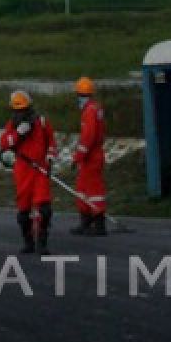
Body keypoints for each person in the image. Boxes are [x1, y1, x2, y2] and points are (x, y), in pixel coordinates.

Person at [0, 90, 57, 254]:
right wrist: (17, 134)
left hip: (40, 170)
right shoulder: (12, 125)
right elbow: (4, 144)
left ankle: (42, 242)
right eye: (17, 111)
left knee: (44, 208)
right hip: (22, 171)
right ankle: (28, 240)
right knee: (23, 211)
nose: (20, 113)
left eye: (23, 110)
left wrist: (50, 158)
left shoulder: (42, 123)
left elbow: (51, 143)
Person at [70, 76, 108, 236]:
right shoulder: (94, 108)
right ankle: (86, 221)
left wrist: (78, 156)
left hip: (91, 157)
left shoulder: (89, 112)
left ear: (80, 94)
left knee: (93, 191)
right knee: (82, 189)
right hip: (91, 156)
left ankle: (98, 224)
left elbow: (88, 136)